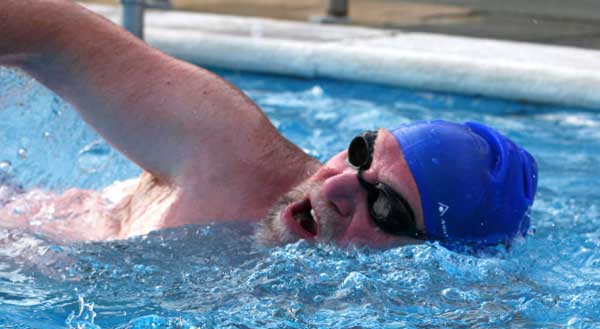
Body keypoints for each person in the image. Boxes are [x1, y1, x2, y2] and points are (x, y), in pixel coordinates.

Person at [0, 0, 538, 248]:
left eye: (385, 205)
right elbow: (53, 36)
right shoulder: (228, 152)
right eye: (360, 153)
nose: (336, 185)